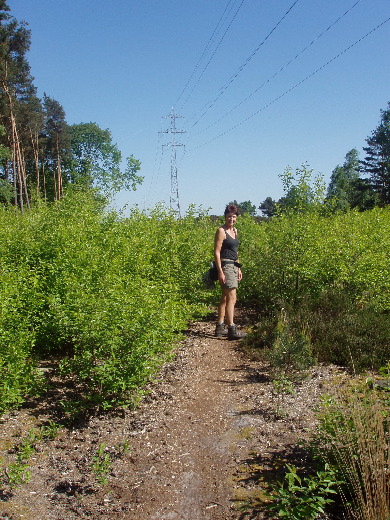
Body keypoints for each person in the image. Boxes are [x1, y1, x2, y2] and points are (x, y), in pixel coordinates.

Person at [214, 204, 246, 340]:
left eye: (233, 216)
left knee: (225, 298)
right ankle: (231, 328)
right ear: (225, 216)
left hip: (233, 265)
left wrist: (238, 268)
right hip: (225, 265)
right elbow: (216, 252)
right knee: (232, 298)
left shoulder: (235, 231)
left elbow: (235, 252)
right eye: (229, 216)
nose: (231, 219)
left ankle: (220, 327)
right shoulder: (221, 231)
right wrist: (220, 271)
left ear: (236, 217)